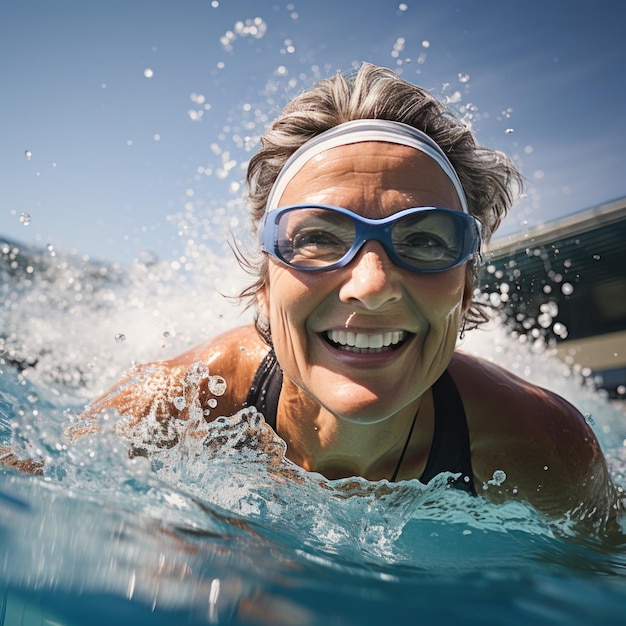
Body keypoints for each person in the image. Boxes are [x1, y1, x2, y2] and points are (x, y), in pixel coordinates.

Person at [80, 63, 619, 531]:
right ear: (265, 280)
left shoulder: (544, 448)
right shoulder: (175, 407)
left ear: (467, 285)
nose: (372, 285)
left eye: (426, 240)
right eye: (317, 237)